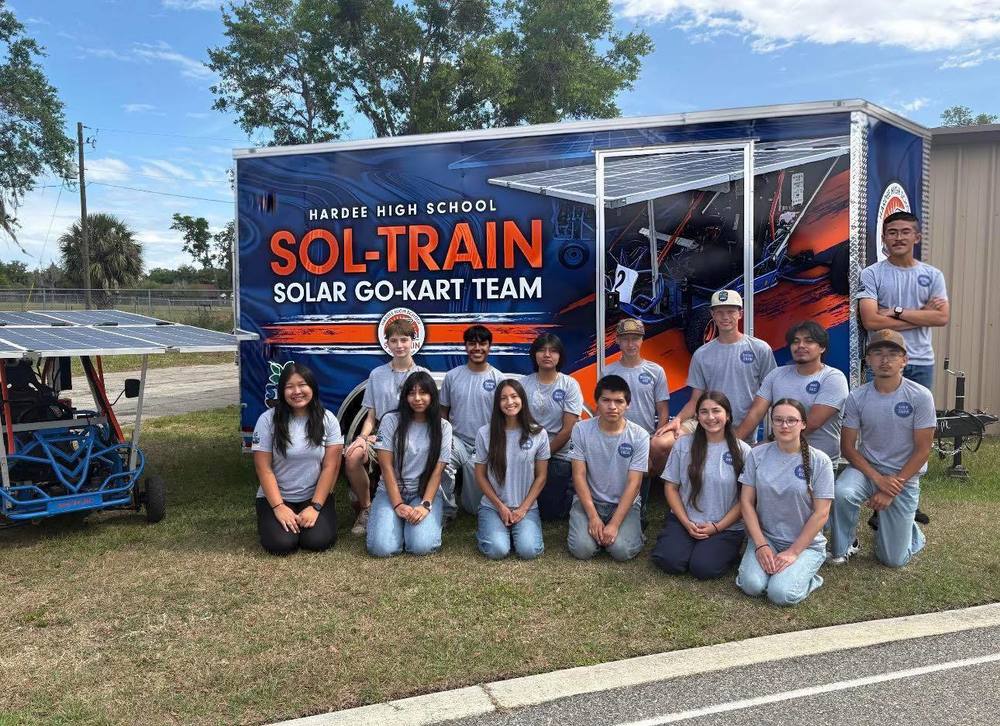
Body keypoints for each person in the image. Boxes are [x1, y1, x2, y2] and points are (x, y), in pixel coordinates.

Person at [829, 330, 935, 567]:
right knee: (842, 492)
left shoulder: (920, 396)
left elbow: (923, 450)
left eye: (892, 354)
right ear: (868, 360)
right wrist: (878, 479)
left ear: (904, 360)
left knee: (892, 560)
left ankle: (910, 531)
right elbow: (847, 446)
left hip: (903, 476)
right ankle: (844, 547)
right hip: (868, 470)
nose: (885, 360)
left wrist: (889, 489)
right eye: (877, 353)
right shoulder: (857, 397)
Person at [736, 398, 834, 606]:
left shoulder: (820, 461)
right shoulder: (757, 454)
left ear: (803, 424)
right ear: (771, 423)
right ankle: (774, 571)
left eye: (792, 420)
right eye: (778, 420)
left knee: (780, 594)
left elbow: (821, 513)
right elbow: (746, 502)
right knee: (751, 586)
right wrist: (761, 544)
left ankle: (809, 577)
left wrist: (793, 552)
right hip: (767, 537)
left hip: (804, 544)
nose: (785, 425)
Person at [650, 391, 750, 579]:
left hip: (724, 526)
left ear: (727, 415)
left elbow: (745, 499)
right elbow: (671, 488)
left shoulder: (743, 450)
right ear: (697, 416)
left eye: (716, 411)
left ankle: (720, 548)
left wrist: (717, 527)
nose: (710, 417)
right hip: (685, 521)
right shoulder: (682, 445)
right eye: (704, 412)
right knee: (669, 561)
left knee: (703, 568)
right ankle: (685, 542)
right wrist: (687, 523)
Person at [343, 318, 428, 536]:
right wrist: (363, 437)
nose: (399, 345)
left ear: (413, 343)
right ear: (387, 344)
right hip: (378, 435)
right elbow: (371, 415)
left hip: (411, 436)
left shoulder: (421, 375)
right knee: (352, 456)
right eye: (394, 340)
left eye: (404, 340)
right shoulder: (376, 375)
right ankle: (366, 508)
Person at [252, 363, 344, 556]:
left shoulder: (328, 419)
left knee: (317, 541)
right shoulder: (267, 420)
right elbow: (264, 468)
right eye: (289, 387)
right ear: (282, 391)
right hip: (277, 496)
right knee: (282, 544)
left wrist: (316, 506)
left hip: (314, 495)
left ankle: (314, 516)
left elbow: (330, 466)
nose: (297, 391)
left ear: (312, 387)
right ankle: (274, 517)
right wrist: (278, 507)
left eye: (302, 385)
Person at [663, 290, 776, 442]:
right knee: (661, 443)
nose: (725, 317)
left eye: (731, 312)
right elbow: (695, 400)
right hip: (705, 424)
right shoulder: (701, 354)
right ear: (712, 314)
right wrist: (677, 420)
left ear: (740, 313)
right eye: (720, 312)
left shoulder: (760, 349)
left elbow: (767, 397)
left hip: (740, 429)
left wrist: (740, 436)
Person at [857, 211, 949, 390]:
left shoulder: (933, 275)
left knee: (919, 418)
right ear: (883, 238)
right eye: (892, 233)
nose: (898, 238)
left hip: (920, 363)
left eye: (905, 232)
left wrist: (897, 311)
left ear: (917, 237)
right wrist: (923, 316)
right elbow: (871, 321)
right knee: (879, 417)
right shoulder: (871, 274)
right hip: (881, 361)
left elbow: (941, 318)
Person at [734, 320, 849, 462]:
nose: (801, 346)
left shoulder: (833, 378)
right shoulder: (776, 374)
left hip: (819, 462)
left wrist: (764, 446)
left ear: (822, 347)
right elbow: (755, 413)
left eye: (808, 341)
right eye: (795, 342)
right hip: (777, 458)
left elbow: (812, 423)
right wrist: (733, 444)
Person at [366, 371, 453, 557]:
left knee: (421, 546)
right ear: (405, 396)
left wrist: (425, 505)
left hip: (424, 493)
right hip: (390, 492)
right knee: (381, 548)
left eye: (423, 393)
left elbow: (438, 471)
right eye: (412, 393)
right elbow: (386, 466)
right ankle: (396, 523)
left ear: (432, 396)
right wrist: (397, 504)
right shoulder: (391, 420)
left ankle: (419, 524)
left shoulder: (443, 426)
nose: (417, 398)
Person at [567, 375, 649, 562]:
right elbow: (578, 475)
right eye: (606, 400)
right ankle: (594, 532)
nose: (612, 406)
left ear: (627, 404)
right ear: (597, 402)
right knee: (582, 550)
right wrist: (593, 516)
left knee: (621, 551)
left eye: (619, 401)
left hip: (623, 505)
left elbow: (634, 483)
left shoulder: (640, 436)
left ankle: (631, 530)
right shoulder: (580, 429)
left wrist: (614, 523)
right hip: (589, 502)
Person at [604, 318, 674, 526]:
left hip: (644, 437)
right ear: (617, 340)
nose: (630, 344)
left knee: (641, 476)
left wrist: (655, 441)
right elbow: (603, 408)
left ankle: (639, 514)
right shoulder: (608, 372)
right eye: (625, 339)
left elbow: (662, 410)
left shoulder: (655, 371)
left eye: (635, 339)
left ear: (642, 340)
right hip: (615, 435)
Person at [473, 379, 550, 560]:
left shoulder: (538, 433)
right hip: (493, 507)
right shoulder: (485, 433)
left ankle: (515, 532)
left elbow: (541, 477)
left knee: (528, 551)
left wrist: (523, 509)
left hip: (526, 507)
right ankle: (494, 531)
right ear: (497, 404)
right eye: (503, 398)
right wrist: (500, 507)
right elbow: (480, 475)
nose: (509, 402)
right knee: (497, 550)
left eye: (514, 396)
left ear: (522, 399)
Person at [440, 325, 505, 517]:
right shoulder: (452, 376)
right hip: (457, 440)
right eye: (472, 343)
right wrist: (445, 439)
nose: (477, 348)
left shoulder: (498, 378)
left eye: (482, 343)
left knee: (474, 508)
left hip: (485, 443)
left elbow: (503, 417)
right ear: (465, 347)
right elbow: (443, 411)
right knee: (440, 462)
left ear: (489, 347)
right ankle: (445, 512)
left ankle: (470, 500)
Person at [520, 333, 583, 521]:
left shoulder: (569, 384)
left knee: (550, 514)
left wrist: (543, 455)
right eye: (542, 350)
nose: (547, 355)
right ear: (534, 355)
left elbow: (568, 429)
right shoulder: (523, 384)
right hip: (527, 450)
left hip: (558, 453)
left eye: (553, 351)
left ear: (560, 356)